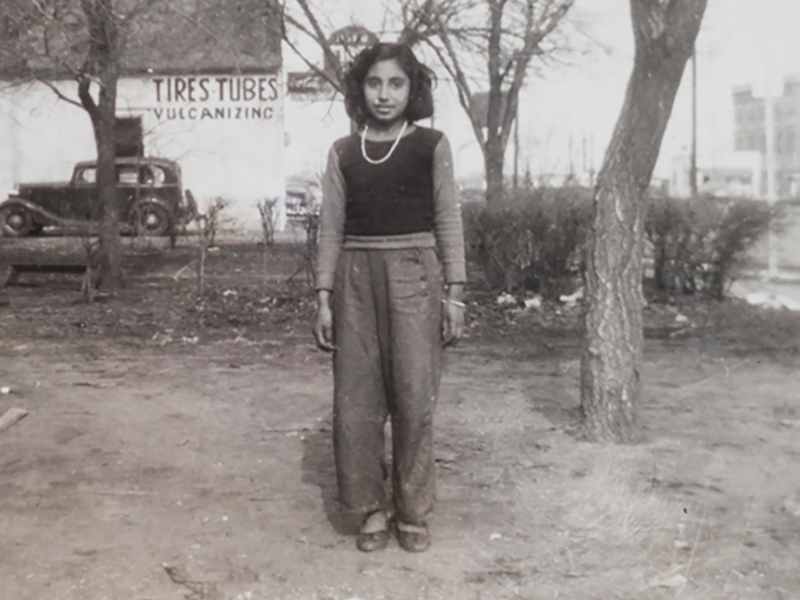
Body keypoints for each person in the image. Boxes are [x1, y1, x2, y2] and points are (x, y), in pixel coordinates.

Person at [312, 42, 466, 553]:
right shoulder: (342, 152)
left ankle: (413, 509)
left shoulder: (432, 146)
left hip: (415, 278)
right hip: (355, 278)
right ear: (360, 89)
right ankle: (370, 507)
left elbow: (448, 221)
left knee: (413, 395)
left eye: (395, 83)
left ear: (412, 89)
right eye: (374, 83)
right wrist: (324, 297)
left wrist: (456, 295)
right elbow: (330, 229)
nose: (384, 94)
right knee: (356, 400)